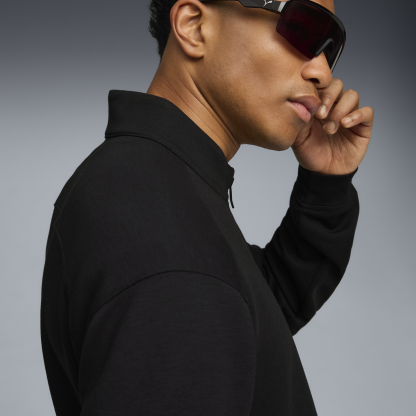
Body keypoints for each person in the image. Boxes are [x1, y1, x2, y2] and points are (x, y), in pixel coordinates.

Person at [40, 0, 374, 415]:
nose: (322, 72)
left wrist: (325, 187)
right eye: (301, 27)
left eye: (329, 46)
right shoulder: (160, 225)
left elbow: (252, 308)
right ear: (194, 26)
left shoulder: (147, 187)